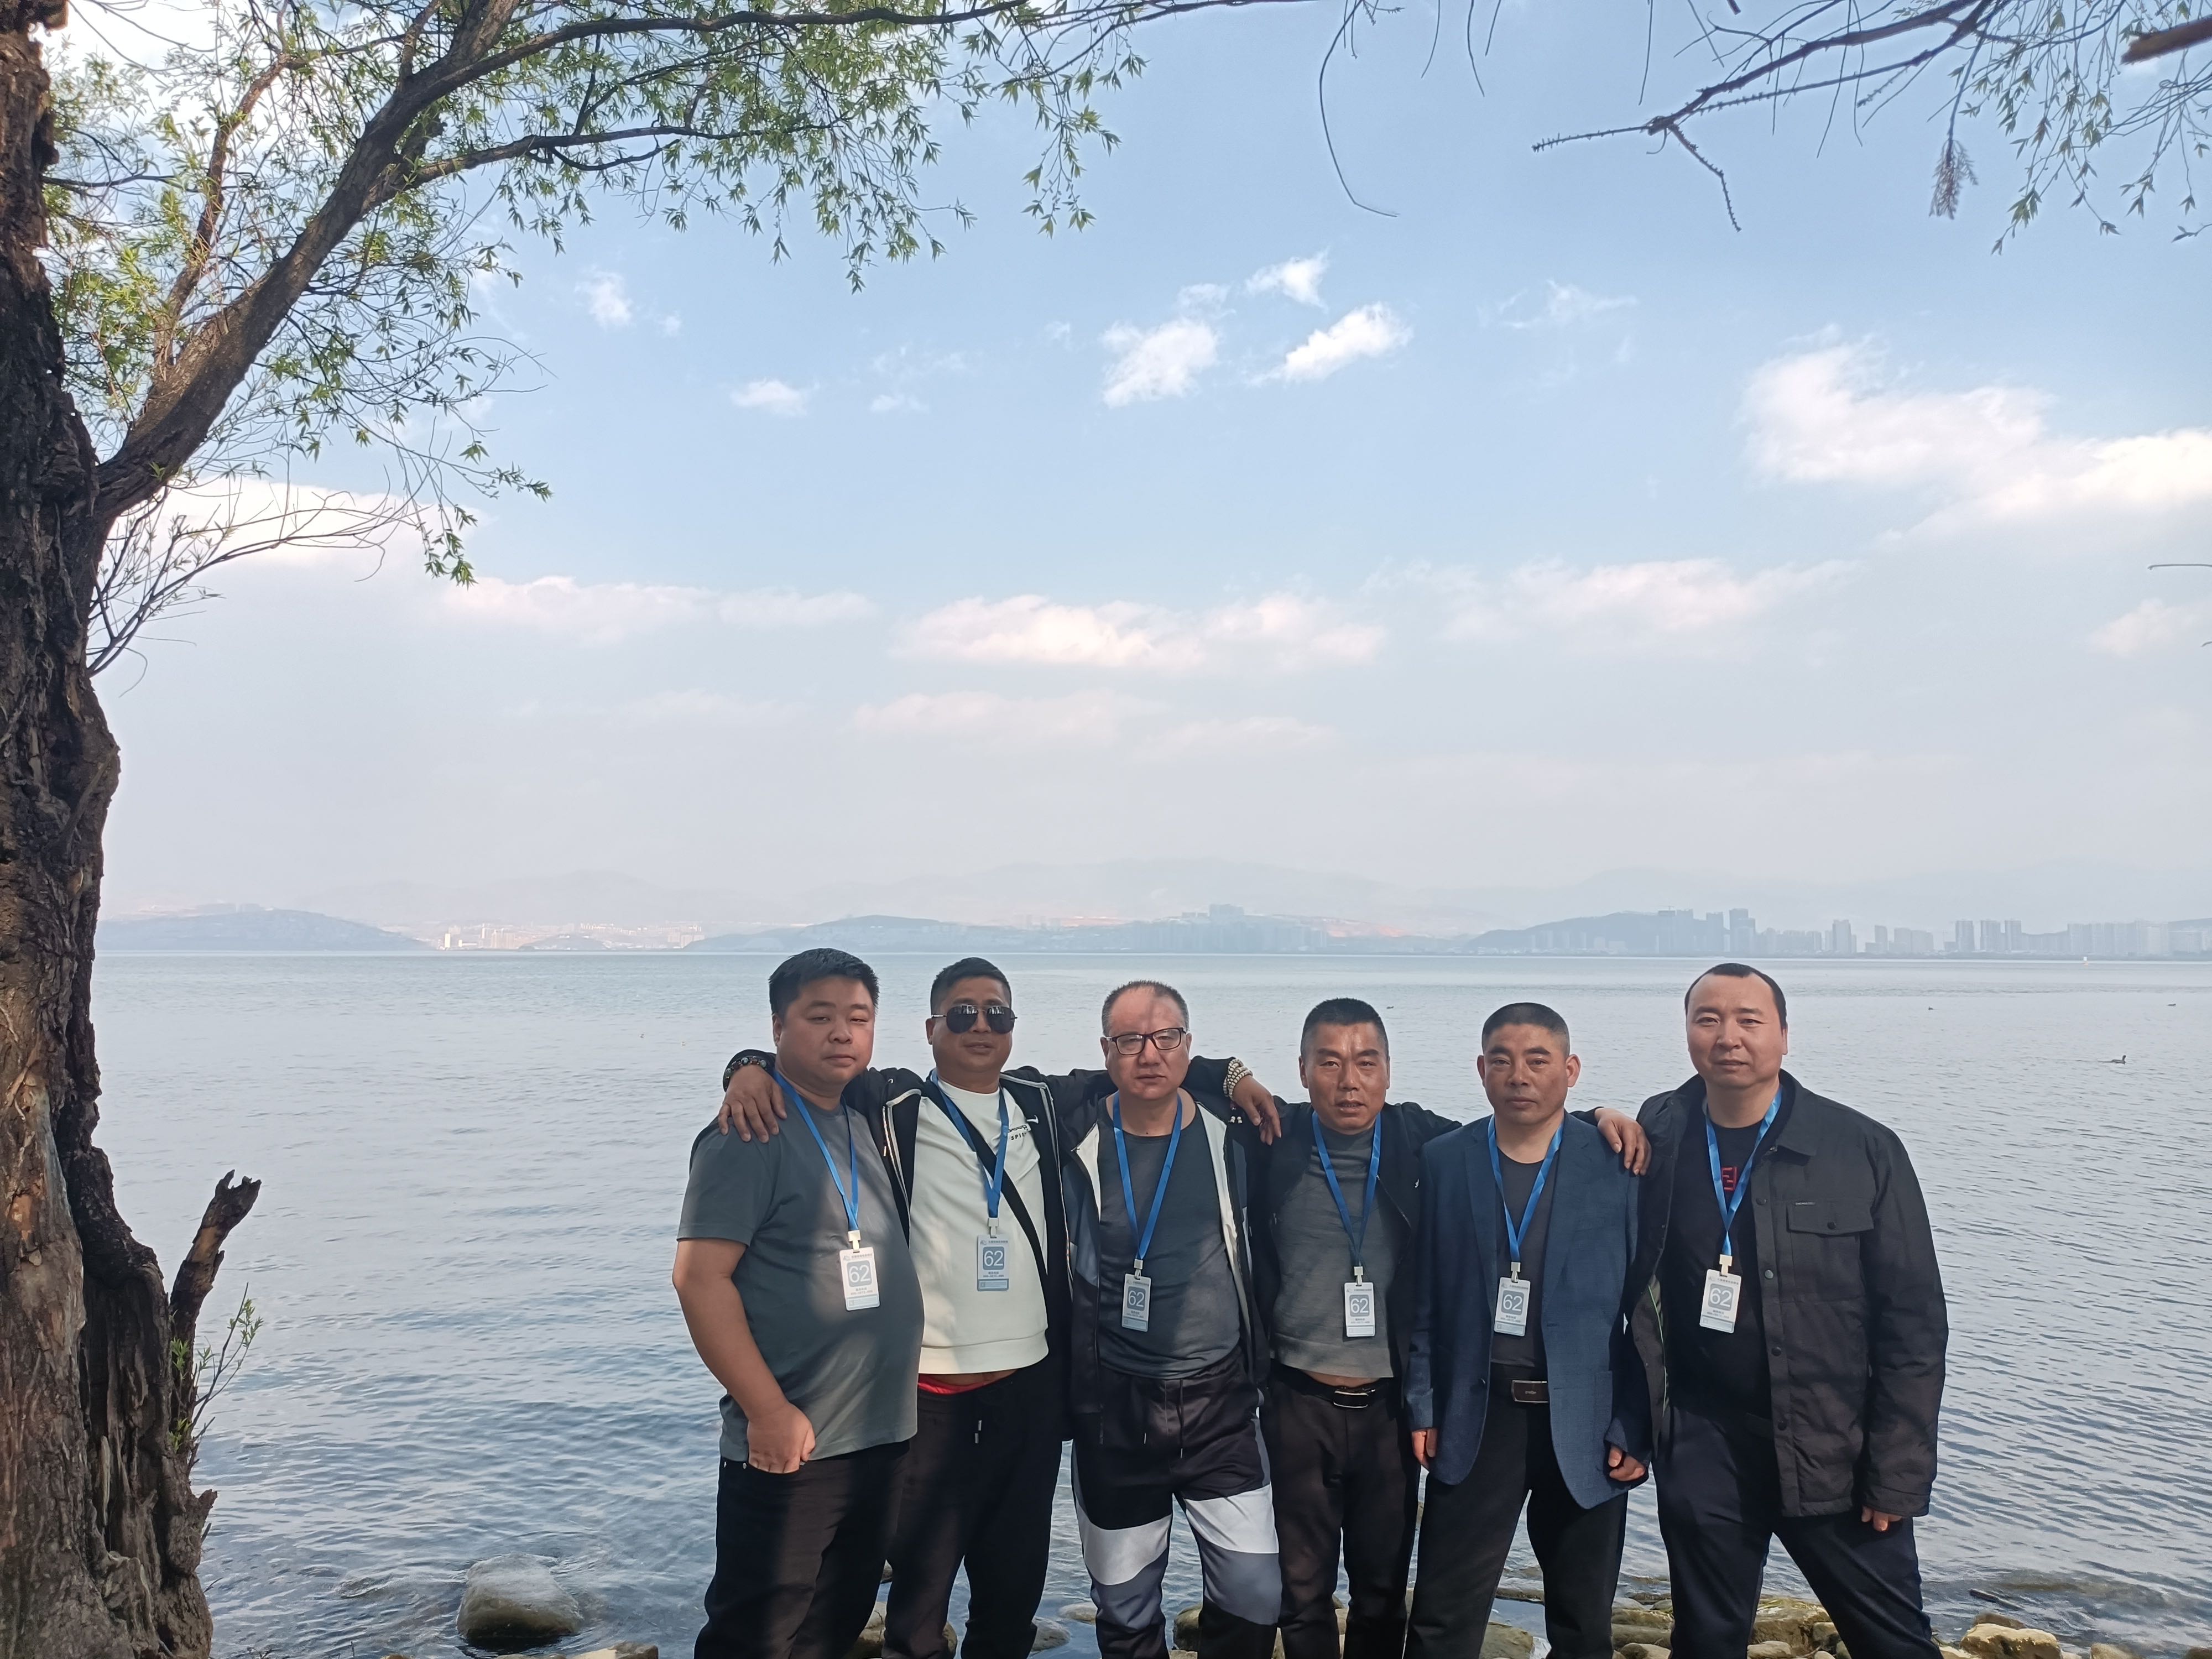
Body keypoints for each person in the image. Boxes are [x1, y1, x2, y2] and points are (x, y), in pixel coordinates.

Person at [712, 962, 1281, 1659]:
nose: (980, 1027)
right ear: (930, 1029)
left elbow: (1149, 1061)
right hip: (926, 1399)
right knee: (918, 1608)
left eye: (996, 1015)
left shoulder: (1041, 1102)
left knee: (1011, 1598)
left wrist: (1234, 1075)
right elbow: (810, 1065)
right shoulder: (891, 1104)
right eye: (962, 1014)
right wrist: (746, 1068)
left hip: (1029, 1393)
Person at [1239, 999, 1650, 1659]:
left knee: (1568, 1621)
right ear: (1303, 1070)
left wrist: (1600, 1114)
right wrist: (1231, 1074)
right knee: (1362, 1602)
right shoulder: (1291, 1143)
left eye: (1365, 1063)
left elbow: (1643, 1309)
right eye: (1330, 1064)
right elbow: (1427, 1294)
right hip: (1377, 1407)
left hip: (1527, 1417)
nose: (1349, 1082)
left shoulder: (1600, 1162)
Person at [1628, 964, 1948, 1659]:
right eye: (1708, 1019)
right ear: (1688, 1033)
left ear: (1783, 1036)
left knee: (1893, 1642)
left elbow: (1914, 1324)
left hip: (1837, 1448)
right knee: (1705, 1641)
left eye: (1748, 1020)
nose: (1728, 1037)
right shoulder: (1661, 1131)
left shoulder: (1861, 1149)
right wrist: (1597, 1116)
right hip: (1705, 1441)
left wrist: (1898, 1473)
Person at [672, 948, 927, 1659]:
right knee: (755, 1634)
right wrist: (767, 1412)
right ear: (778, 1027)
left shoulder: (864, 1118)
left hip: (878, 1438)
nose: (842, 1032)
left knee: (833, 1628)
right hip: (794, 1443)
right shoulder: (746, 1134)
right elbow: (698, 1280)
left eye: (859, 1018)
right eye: (820, 1017)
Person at [1402, 1003, 1649, 1659]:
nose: (1519, 1075)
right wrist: (1424, 1405)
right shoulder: (1446, 1159)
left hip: (1588, 1422)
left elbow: (1646, 1313)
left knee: (1583, 1624)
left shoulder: (1619, 1162)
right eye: (1503, 1060)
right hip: (1477, 1416)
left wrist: (1635, 1422)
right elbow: (1426, 1297)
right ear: (1481, 1070)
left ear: (1570, 1070)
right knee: (1440, 1619)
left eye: (1538, 1060)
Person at [1066, 979, 1280, 1659]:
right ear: (1105, 1051)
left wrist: (1235, 1075)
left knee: (1254, 1594)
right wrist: (766, 1071)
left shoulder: (1234, 1132)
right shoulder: (1070, 1131)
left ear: (1189, 1045)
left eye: (1166, 1038)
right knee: (1125, 1610)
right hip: (1115, 1408)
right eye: (1129, 1040)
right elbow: (978, 1076)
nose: (1149, 1054)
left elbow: (1357, 1118)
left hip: (1220, 1405)